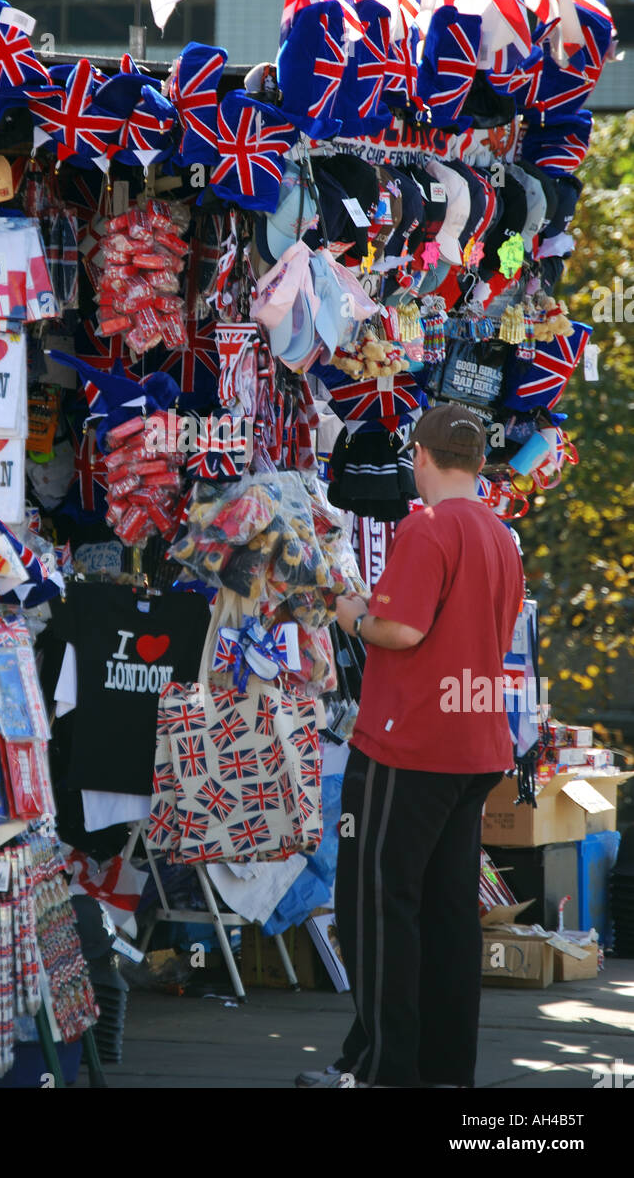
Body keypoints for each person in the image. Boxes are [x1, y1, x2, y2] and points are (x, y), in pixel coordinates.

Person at [298, 404, 523, 1089]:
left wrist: (345, 609)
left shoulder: (428, 528)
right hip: (477, 742)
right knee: (448, 911)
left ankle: (382, 1069)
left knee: (377, 905)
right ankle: (442, 1068)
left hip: (411, 743)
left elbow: (400, 630)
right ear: (479, 464)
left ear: (419, 457)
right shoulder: (498, 532)